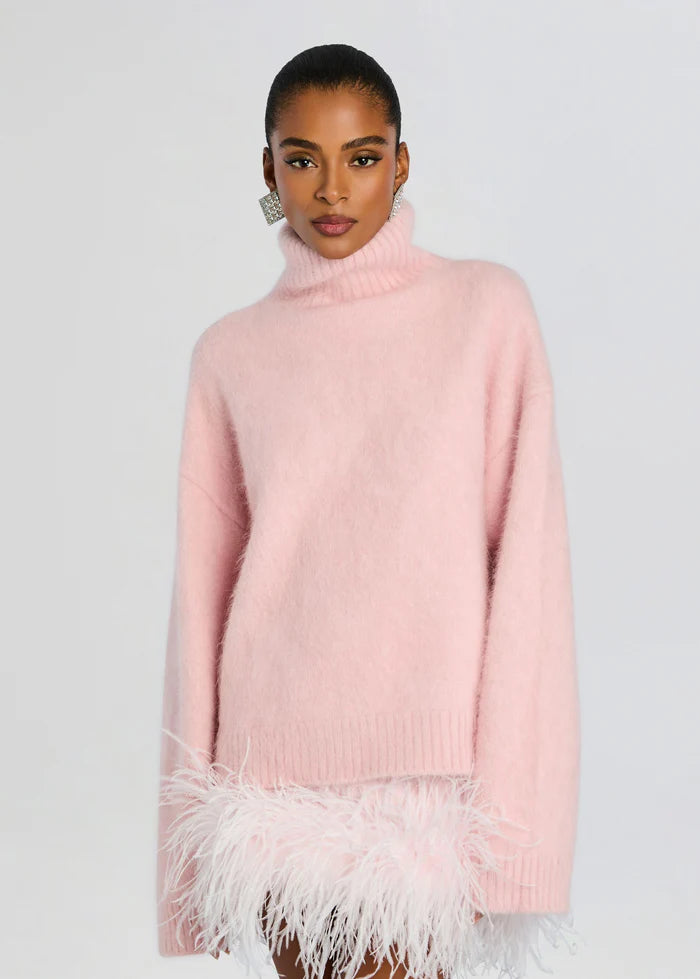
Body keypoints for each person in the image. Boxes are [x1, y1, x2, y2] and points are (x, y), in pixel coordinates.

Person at [156, 42, 583, 979]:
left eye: (361, 156)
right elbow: (200, 609)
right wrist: (186, 866)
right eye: (301, 158)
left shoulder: (485, 311)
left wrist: (517, 827)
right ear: (268, 171)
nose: (331, 188)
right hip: (274, 786)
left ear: (401, 161)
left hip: (430, 791)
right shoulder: (231, 352)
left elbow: (530, 577)